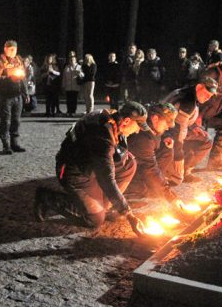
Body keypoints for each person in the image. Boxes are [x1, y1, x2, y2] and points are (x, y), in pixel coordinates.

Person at [33, 101, 148, 235]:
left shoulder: (113, 118)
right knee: (95, 220)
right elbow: (106, 178)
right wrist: (128, 214)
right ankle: (47, 198)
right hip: (75, 172)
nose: (138, 130)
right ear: (127, 121)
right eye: (138, 125)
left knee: (129, 162)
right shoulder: (102, 136)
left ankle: (105, 205)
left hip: (89, 164)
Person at [126, 102, 189, 213]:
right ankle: (125, 195)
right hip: (126, 171)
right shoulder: (142, 138)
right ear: (155, 118)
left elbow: (159, 133)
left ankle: (154, 186)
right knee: (142, 187)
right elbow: (150, 169)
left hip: (141, 163)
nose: (168, 127)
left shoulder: (151, 126)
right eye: (166, 123)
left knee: (167, 149)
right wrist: (170, 196)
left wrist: (167, 136)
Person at [163, 77, 218, 183]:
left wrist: (192, 127)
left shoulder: (188, 93)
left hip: (169, 130)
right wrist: (178, 156)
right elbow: (178, 130)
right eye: (207, 93)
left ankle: (184, 169)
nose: (208, 98)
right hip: (167, 135)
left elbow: (180, 120)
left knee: (205, 137)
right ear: (199, 87)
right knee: (207, 141)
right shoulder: (188, 101)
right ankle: (179, 170)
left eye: (210, 96)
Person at [0, 40, 29, 154]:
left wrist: (26, 93)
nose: (13, 51)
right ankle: (6, 145)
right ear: (5, 49)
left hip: (17, 95)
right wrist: (9, 79)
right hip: (5, 96)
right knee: (6, 121)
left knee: (16, 120)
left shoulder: (18, 60)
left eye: (15, 49)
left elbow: (23, 78)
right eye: (11, 49)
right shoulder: (0, 61)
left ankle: (15, 142)